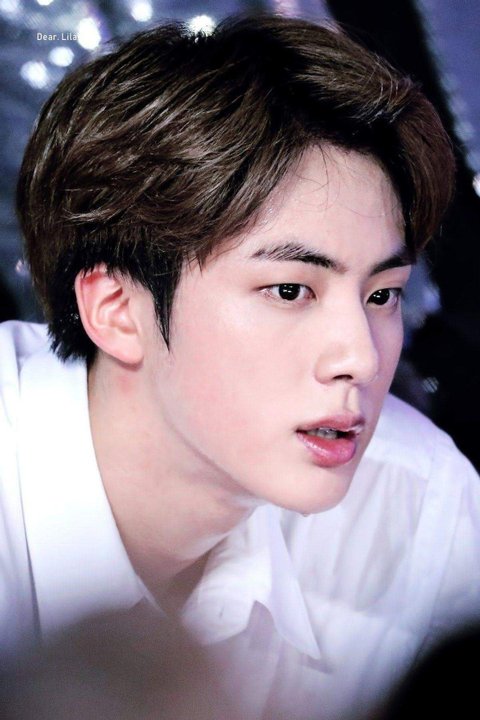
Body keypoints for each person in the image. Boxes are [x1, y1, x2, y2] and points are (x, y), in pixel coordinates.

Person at [2, 13, 479, 720]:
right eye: (289, 291)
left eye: (382, 295)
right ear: (116, 309)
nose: (361, 357)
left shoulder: (421, 501)